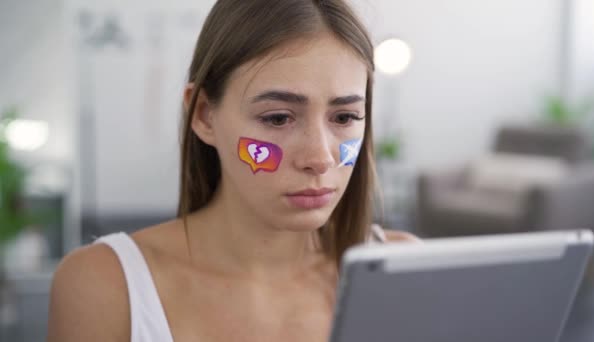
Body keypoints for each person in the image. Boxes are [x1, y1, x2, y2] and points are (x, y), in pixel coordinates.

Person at [47, 0, 419, 341]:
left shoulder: (407, 270)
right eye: (277, 118)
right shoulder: (106, 285)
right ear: (205, 115)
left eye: (345, 116)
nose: (320, 157)